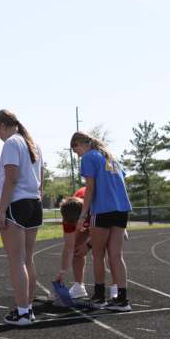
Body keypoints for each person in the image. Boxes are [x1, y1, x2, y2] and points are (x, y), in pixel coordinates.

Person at [71, 131, 132, 311]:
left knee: (98, 254)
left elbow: (89, 188)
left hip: (102, 209)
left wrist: (83, 215)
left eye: (76, 151)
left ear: (80, 144)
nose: (77, 155)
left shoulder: (89, 157)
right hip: (121, 209)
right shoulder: (110, 157)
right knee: (116, 255)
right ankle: (122, 299)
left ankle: (99, 297)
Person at [0, 109, 43, 327]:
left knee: (16, 260)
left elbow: (11, 179)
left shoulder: (12, 143)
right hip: (34, 203)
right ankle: (27, 308)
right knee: (27, 259)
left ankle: (22, 313)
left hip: (17, 203)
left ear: (3, 125)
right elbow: (41, 178)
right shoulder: (34, 144)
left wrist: (1, 210)